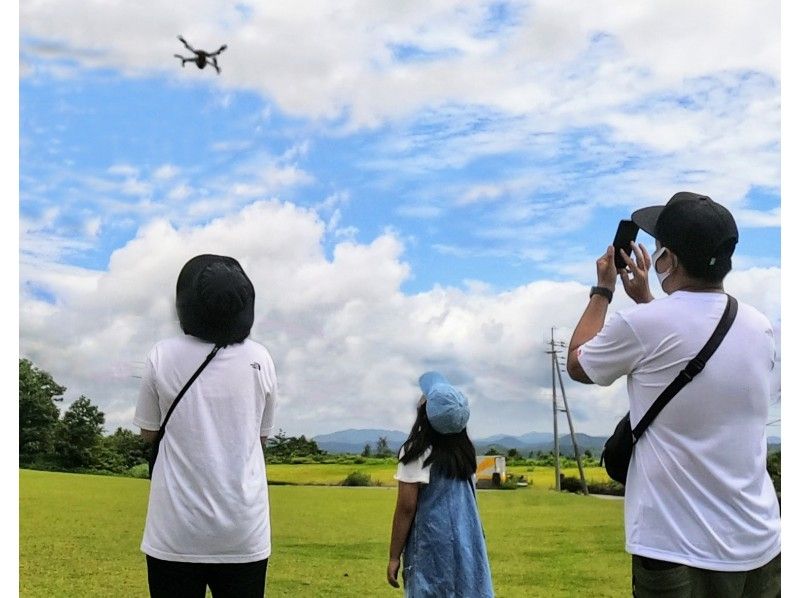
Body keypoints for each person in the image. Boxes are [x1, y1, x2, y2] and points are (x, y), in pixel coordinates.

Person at [566, 192, 780, 597]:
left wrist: (602, 290)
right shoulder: (760, 328)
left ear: (669, 260)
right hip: (761, 546)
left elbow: (578, 364)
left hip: (678, 551)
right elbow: (694, 363)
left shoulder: (643, 324)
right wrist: (648, 301)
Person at [134, 254, 277, 598]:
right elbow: (260, 436)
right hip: (245, 530)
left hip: (175, 530)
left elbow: (149, 431)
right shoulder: (261, 358)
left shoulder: (161, 355)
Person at [387, 371, 494, 597]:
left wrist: (394, 556)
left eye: (425, 397)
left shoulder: (416, 451)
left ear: (425, 413)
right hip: (468, 540)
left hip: (431, 543)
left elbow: (406, 507)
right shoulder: (465, 452)